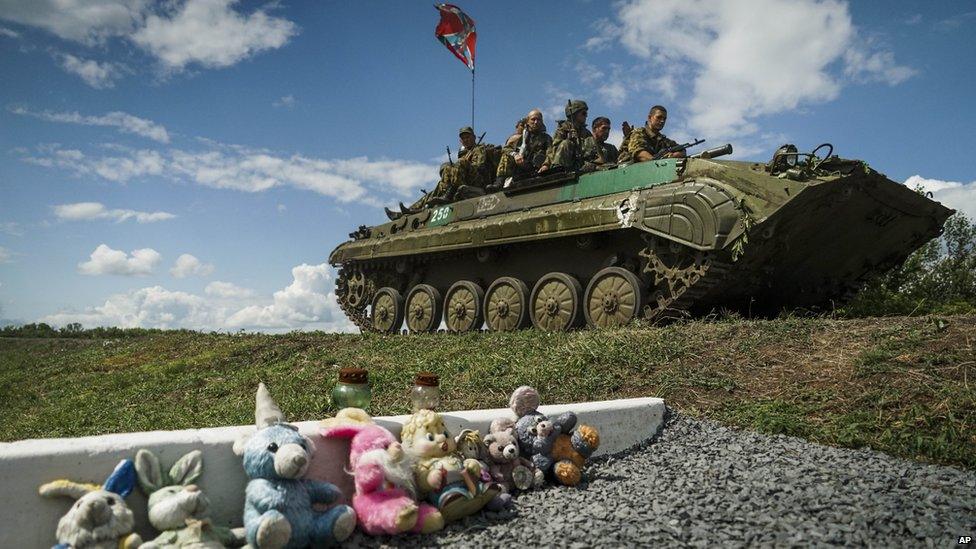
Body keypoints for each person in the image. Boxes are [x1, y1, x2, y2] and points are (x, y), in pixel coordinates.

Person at [389, 127, 497, 219]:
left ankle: (448, 194)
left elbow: (479, 166)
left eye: (468, 137)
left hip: (478, 180)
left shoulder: (479, 149)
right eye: (463, 138)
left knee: (458, 163)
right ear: (461, 141)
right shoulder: (464, 154)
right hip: (463, 181)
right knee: (442, 180)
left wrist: (465, 162)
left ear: (474, 137)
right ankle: (409, 211)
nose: (466, 139)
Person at [496, 109, 552, 183]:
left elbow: (551, 153)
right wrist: (515, 155)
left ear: (542, 122)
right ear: (528, 122)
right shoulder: (521, 137)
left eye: (538, 120)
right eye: (533, 119)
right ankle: (499, 182)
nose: (536, 122)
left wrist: (546, 165)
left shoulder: (546, 138)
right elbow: (506, 149)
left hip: (537, 168)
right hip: (521, 164)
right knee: (506, 156)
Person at [539, 100, 592, 173]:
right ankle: (558, 170)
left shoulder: (586, 132)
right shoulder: (563, 128)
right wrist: (546, 164)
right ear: (574, 113)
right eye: (584, 113)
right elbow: (554, 148)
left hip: (580, 163)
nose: (586, 116)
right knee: (566, 143)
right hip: (565, 163)